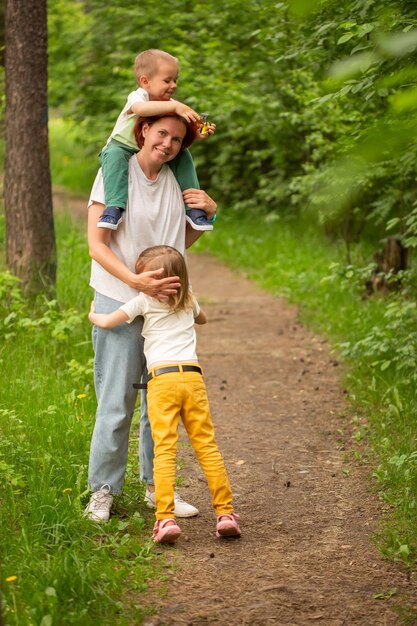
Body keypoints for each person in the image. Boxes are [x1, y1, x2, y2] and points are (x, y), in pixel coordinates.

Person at [84, 113, 218, 523]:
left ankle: (156, 488)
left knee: (159, 404)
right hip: (119, 298)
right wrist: (136, 282)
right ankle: (103, 491)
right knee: (116, 403)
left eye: (177, 139)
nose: (168, 144)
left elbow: (181, 239)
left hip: (164, 307)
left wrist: (210, 213)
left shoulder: (179, 177)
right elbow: (96, 243)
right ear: (143, 131)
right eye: (162, 133)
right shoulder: (115, 171)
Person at [89, 245, 241, 544]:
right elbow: (204, 319)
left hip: (162, 382)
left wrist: (94, 314)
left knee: (165, 449)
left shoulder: (143, 300)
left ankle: (165, 519)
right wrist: (189, 302)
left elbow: (108, 322)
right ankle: (225, 513)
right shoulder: (188, 300)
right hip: (192, 378)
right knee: (207, 446)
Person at [97, 48, 216, 232]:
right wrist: (175, 106)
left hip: (144, 149)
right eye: (167, 80)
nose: (174, 85)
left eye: (175, 80)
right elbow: (140, 110)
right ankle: (114, 207)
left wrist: (198, 132)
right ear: (145, 81)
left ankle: (194, 209)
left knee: (183, 154)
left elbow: (177, 131)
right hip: (121, 146)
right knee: (114, 157)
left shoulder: (169, 103)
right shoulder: (138, 96)